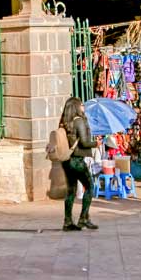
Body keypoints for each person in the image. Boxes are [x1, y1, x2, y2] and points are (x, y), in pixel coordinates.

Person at [59, 97, 97, 231]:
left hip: (66, 161)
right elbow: (84, 143)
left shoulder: (64, 122)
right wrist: (96, 143)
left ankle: (68, 221)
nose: (83, 107)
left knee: (71, 191)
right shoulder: (79, 121)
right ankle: (83, 218)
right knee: (90, 187)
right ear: (76, 107)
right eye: (81, 105)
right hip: (77, 160)